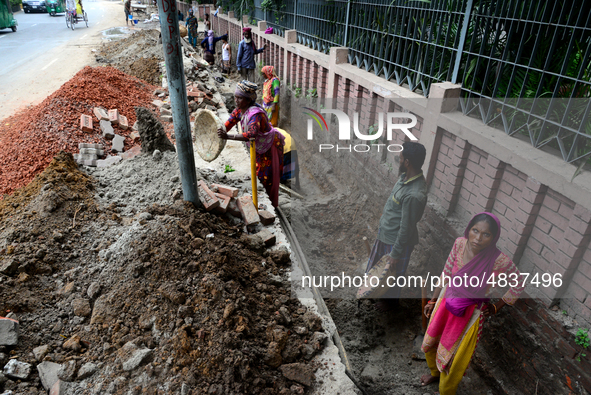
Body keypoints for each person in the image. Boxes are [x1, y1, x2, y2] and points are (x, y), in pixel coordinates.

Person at [421, 212, 524, 395]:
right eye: (475, 230)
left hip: (471, 313)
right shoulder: (460, 244)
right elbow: (446, 272)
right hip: (446, 301)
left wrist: (495, 307)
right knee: (432, 339)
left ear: (494, 238)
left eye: (486, 234)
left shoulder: (499, 260)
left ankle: (446, 390)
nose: (478, 238)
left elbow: (518, 283)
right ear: (468, 230)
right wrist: (433, 299)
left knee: (455, 357)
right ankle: (434, 373)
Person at [365, 142, 427, 312]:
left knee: (392, 276)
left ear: (407, 162)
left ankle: (390, 305)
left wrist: (396, 254)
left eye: (400, 158)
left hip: (396, 242)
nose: (398, 160)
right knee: (379, 272)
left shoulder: (414, 194)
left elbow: (406, 228)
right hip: (386, 235)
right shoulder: (405, 177)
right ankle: (376, 294)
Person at [217, 81, 285, 208]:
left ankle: (269, 205)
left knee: (266, 177)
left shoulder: (255, 114)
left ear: (248, 100)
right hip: (258, 147)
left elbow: (251, 134)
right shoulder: (240, 111)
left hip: (268, 147)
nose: (236, 100)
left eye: (240, 98)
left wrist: (228, 137)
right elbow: (229, 123)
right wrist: (217, 133)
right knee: (259, 172)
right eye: (235, 97)